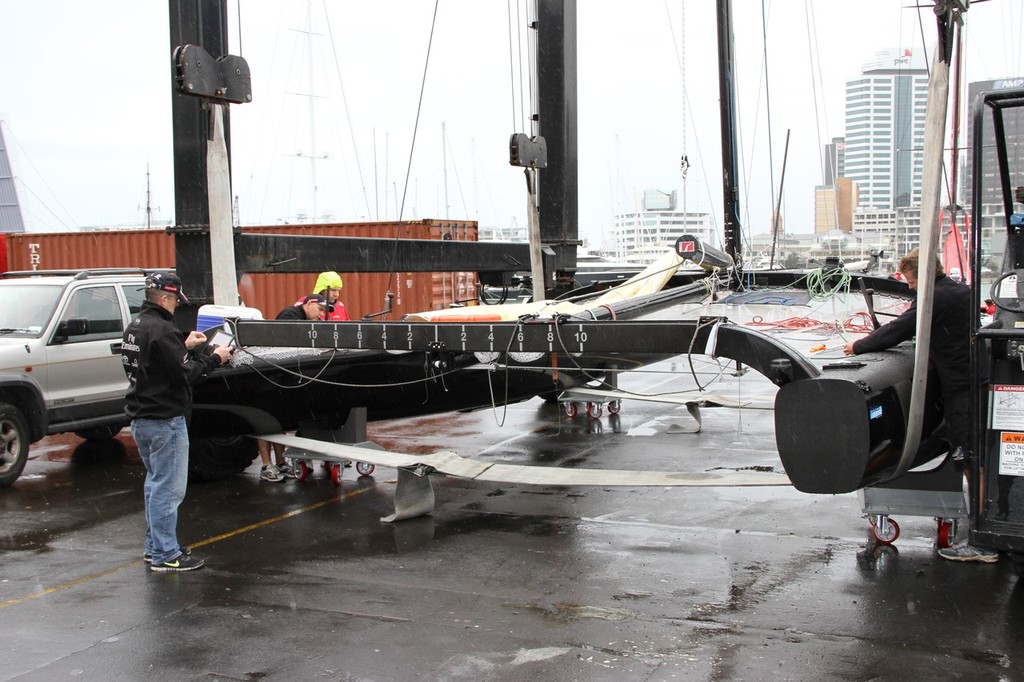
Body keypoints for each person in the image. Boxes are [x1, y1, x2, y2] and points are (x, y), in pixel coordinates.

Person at [843, 248, 997, 563]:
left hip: (961, 386)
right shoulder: (959, 291)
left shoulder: (935, 298)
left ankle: (984, 542)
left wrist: (858, 346)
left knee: (970, 456)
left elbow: (900, 327)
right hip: (972, 380)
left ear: (924, 274)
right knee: (973, 454)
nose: (910, 287)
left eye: (912, 281)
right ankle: (984, 526)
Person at [121, 272, 234, 573]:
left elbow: (155, 363)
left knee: (154, 486)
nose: (176, 307)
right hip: (164, 420)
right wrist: (217, 357)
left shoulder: (136, 326)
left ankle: (155, 547)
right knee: (168, 490)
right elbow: (186, 375)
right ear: (167, 298)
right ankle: (166, 555)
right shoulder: (162, 330)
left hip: (141, 417)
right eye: (175, 301)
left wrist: (184, 344)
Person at [254, 293, 329, 481]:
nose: (321, 314)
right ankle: (265, 465)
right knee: (265, 423)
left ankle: (280, 463)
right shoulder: (289, 315)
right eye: (320, 309)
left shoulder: (303, 318)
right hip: (270, 375)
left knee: (280, 423)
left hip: (283, 377)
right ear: (309, 304)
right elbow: (293, 343)